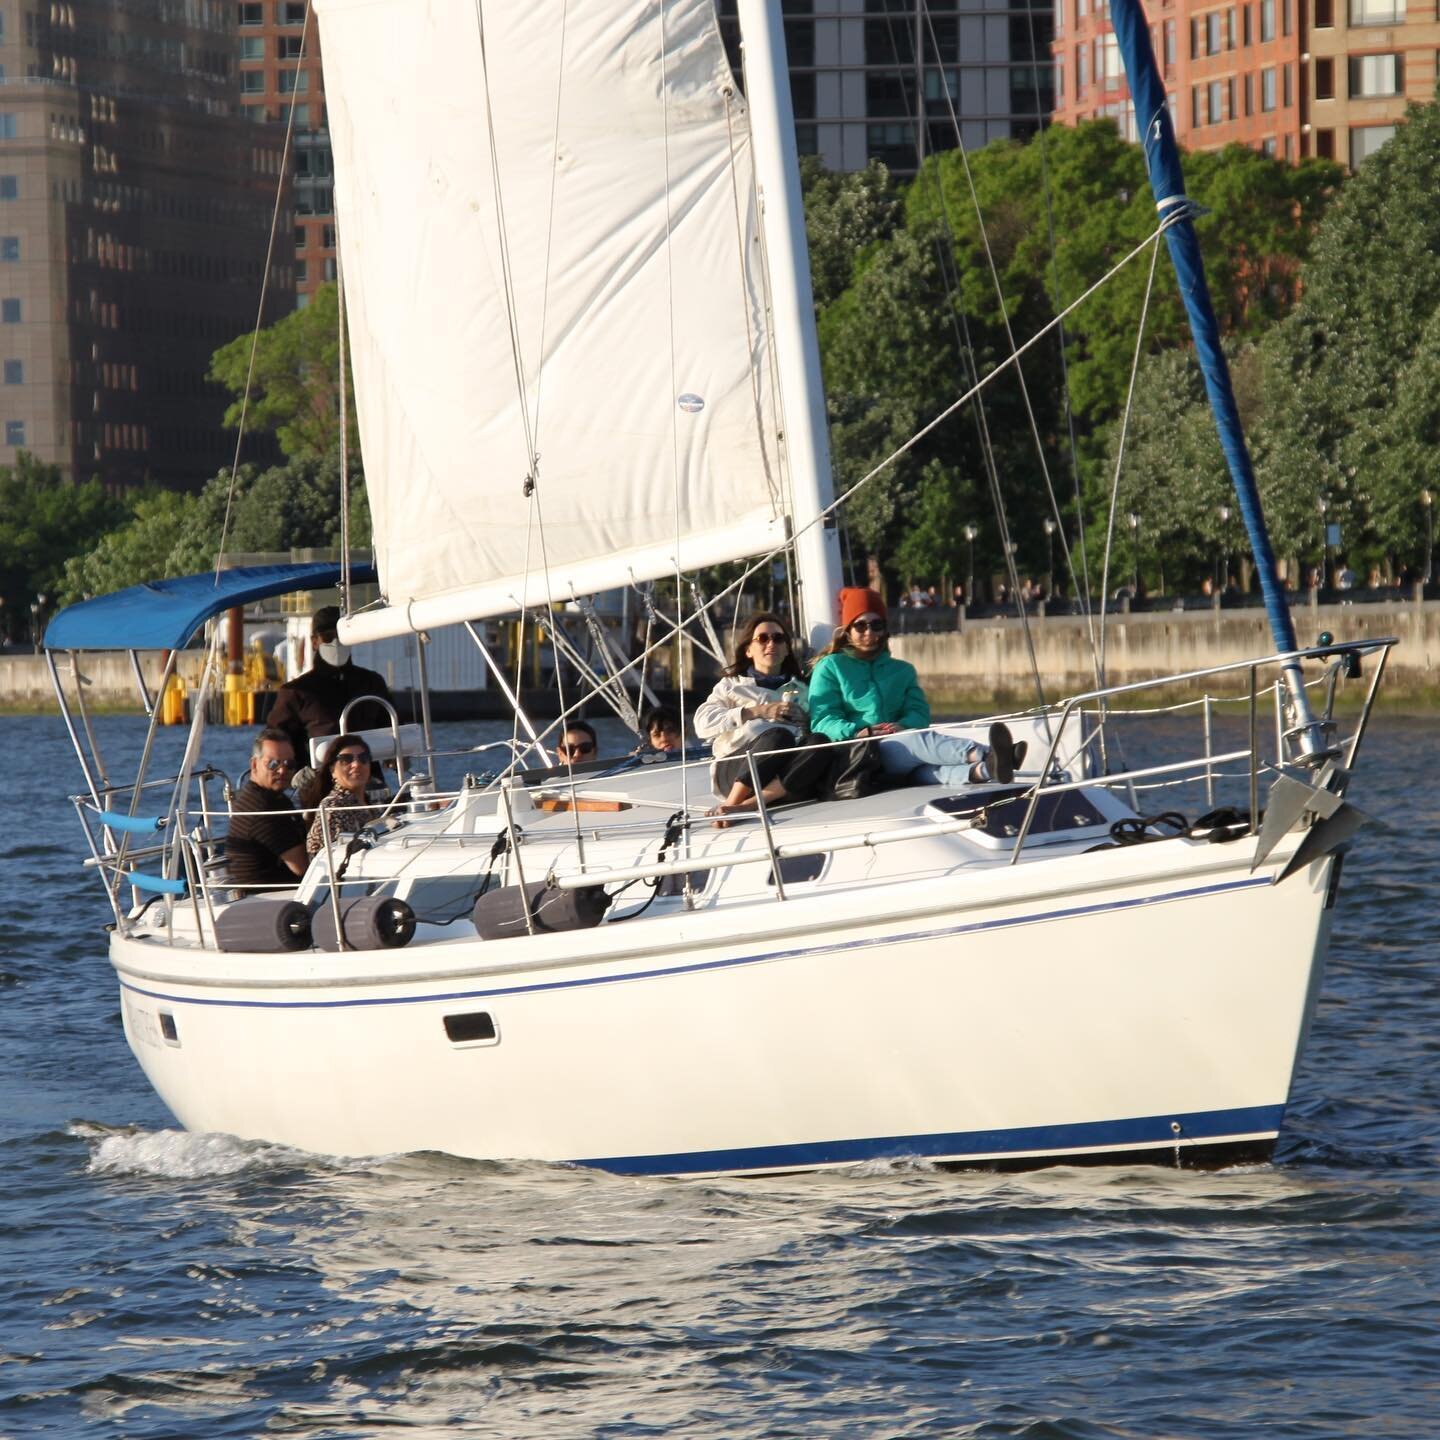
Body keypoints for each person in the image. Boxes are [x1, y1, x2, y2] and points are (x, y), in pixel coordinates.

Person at [807, 587, 1024, 788]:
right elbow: (822, 720)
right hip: (858, 752)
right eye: (860, 625)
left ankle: (987, 769)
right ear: (847, 630)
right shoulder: (831, 666)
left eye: (876, 625)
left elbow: (919, 712)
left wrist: (902, 726)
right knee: (915, 741)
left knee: (924, 769)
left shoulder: (902, 670)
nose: (869, 633)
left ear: (884, 628)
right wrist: (858, 732)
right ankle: (989, 753)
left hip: (897, 751)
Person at [693, 611, 831, 821]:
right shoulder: (732, 685)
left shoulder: (803, 689)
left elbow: (820, 726)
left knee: (820, 741)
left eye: (778, 638)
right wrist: (755, 712)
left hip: (783, 778)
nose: (771, 644)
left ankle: (750, 805)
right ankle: (731, 804)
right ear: (748, 649)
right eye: (763, 638)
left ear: (786, 649)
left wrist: (805, 722)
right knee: (778, 736)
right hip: (736, 770)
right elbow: (702, 723)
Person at [268, 606, 394, 770]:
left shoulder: (372, 683)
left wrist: (398, 756)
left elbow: (393, 726)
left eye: (341, 636)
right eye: (328, 637)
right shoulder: (296, 691)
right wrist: (295, 771)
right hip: (318, 785)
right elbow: (274, 739)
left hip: (368, 780)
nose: (336, 642)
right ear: (315, 642)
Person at [226, 728, 307, 893]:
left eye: (289, 764)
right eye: (273, 764)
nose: (282, 771)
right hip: (268, 900)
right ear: (254, 764)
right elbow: (303, 866)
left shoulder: (259, 795)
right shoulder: (263, 808)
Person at [301, 734, 391, 858]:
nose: (356, 764)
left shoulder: (369, 803)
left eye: (363, 758)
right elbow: (333, 858)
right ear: (332, 770)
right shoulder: (333, 808)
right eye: (346, 760)